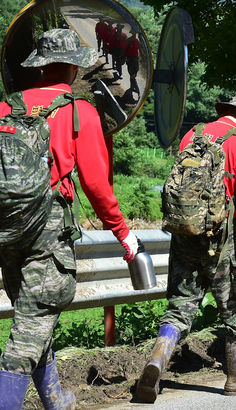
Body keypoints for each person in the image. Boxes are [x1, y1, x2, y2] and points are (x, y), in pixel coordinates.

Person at [0, 28, 137, 409]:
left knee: (32, 317)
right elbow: (96, 184)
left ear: (39, 65)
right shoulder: (79, 111)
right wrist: (123, 234)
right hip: (46, 228)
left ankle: (57, 399)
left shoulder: (6, 107)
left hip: (7, 227)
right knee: (31, 327)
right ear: (74, 66)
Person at [137, 91, 236, 401]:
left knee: (180, 305)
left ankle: (157, 359)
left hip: (186, 232)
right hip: (223, 238)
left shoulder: (191, 136)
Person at [125, 28, 140, 96]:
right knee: (132, 74)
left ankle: (132, 86)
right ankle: (137, 89)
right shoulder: (128, 40)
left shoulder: (137, 41)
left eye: (135, 34)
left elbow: (139, 50)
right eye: (133, 33)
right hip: (130, 59)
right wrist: (126, 58)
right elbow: (125, 50)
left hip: (136, 59)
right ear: (132, 34)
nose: (135, 35)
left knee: (135, 73)